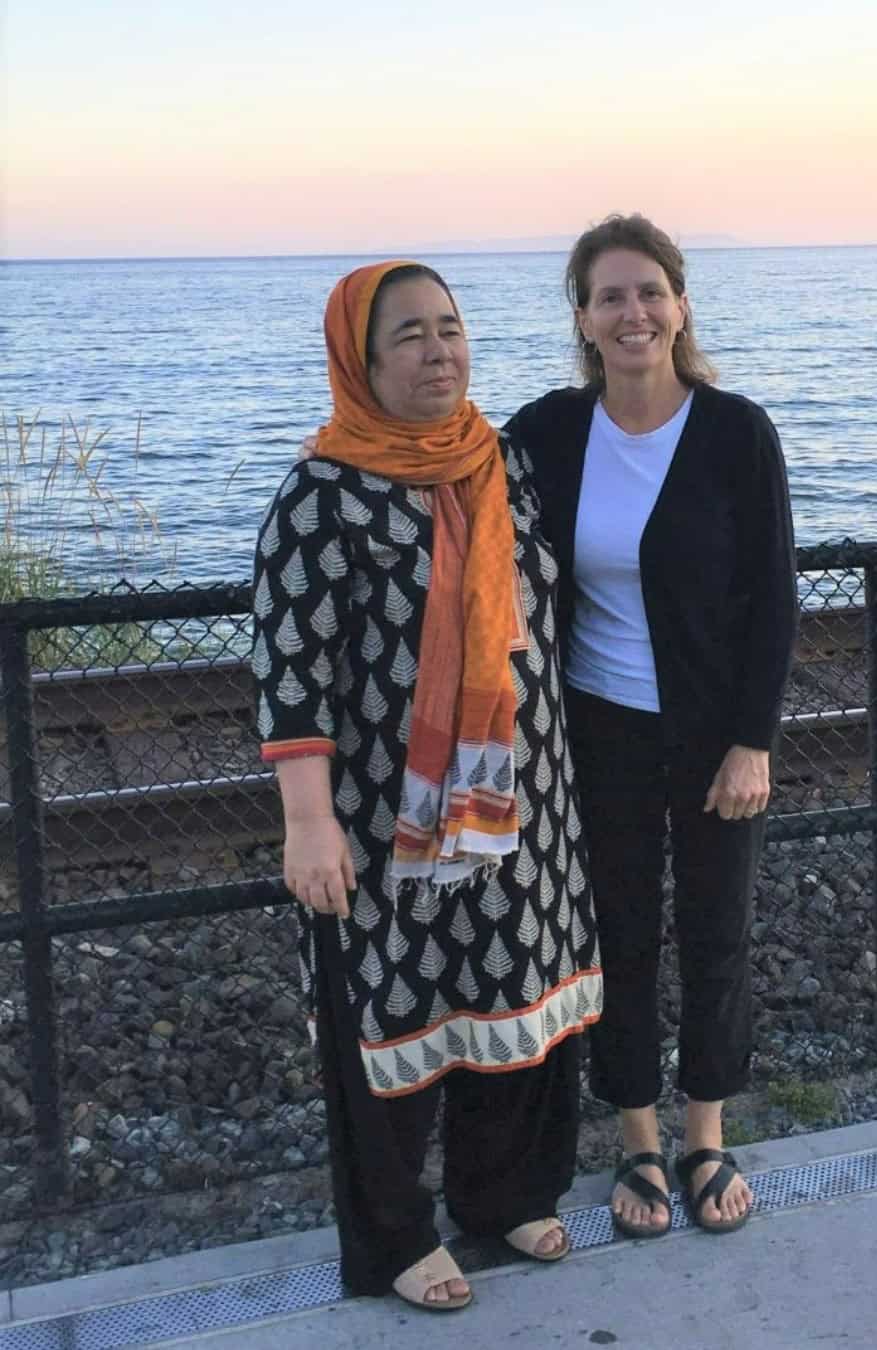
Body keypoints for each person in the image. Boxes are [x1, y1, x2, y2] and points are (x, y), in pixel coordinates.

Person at [252, 261, 601, 1311]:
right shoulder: (322, 494)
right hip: (381, 819)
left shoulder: (499, 464)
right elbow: (290, 672)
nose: (438, 350)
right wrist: (308, 825)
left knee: (515, 994)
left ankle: (504, 1198)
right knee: (393, 1019)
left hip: (521, 800)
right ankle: (395, 1237)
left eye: (449, 328)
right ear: (360, 361)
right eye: (408, 334)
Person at [504, 215, 797, 1240]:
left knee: (716, 936)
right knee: (618, 939)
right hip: (597, 736)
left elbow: (773, 599)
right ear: (583, 320)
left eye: (649, 292)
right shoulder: (545, 433)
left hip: (717, 737)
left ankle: (705, 1135)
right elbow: (455, 499)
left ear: (679, 306)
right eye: (609, 296)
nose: (633, 313)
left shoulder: (733, 432)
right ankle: (637, 1139)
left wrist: (752, 740)